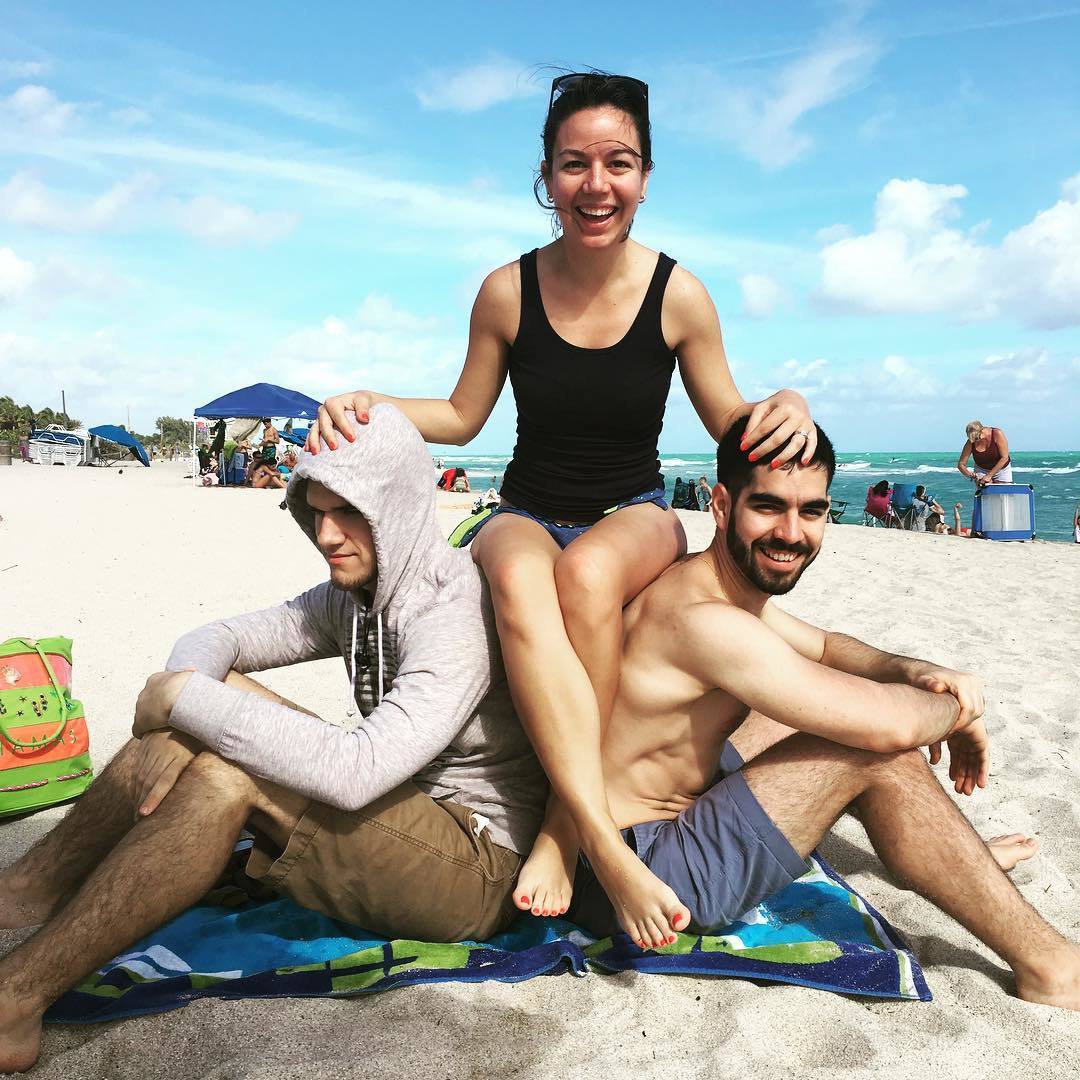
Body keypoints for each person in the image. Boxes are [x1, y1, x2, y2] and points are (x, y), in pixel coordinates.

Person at [305, 71, 816, 941]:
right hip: (526, 506)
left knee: (587, 574)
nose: (596, 184)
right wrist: (370, 400)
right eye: (574, 164)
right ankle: (580, 816)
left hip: (635, 508)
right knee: (518, 575)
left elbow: (730, 417)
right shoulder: (507, 291)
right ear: (546, 177)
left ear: (645, 176)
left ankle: (564, 827)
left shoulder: (679, 295)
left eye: (618, 163)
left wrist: (788, 401)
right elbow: (462, 416)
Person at [0, 405, 546, 1072]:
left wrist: (181, 700)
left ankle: (14, 1000)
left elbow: (359, 770)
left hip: (477, 862)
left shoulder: (449, 611)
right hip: (403, 810)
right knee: (204, 706)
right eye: (316, 513)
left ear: (398, 507)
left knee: (224, 763)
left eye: (350, 513)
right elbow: (221, 637)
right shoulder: (355, 594)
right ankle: (28, 888)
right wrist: (184, 706)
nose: (328, 535)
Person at [550, 418, 1079, 1012]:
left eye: (812, 511)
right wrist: (958, 711)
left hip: (636, 819)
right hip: (637, 871)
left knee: (810, 709)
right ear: (721, 506)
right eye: (768, 507)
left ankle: (956, 865)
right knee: (875, 752)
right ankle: (1050, 966)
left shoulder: (712, 585)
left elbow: (826, 646)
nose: (790, 532)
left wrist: (918, 672)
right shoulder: (708, 622)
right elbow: (891, 728)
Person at [958, 420, 1012, 486]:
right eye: (972, 439)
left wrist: (989, 475)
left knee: (1003, 490)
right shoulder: (971, 442)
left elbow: (1004, 458)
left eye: (977, 438)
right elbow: (961, 464)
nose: (975, 441)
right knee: (984, 487)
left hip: (1002, 469)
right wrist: (970, 475)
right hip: (982, 469)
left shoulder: (997, 433)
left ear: (982, 431)